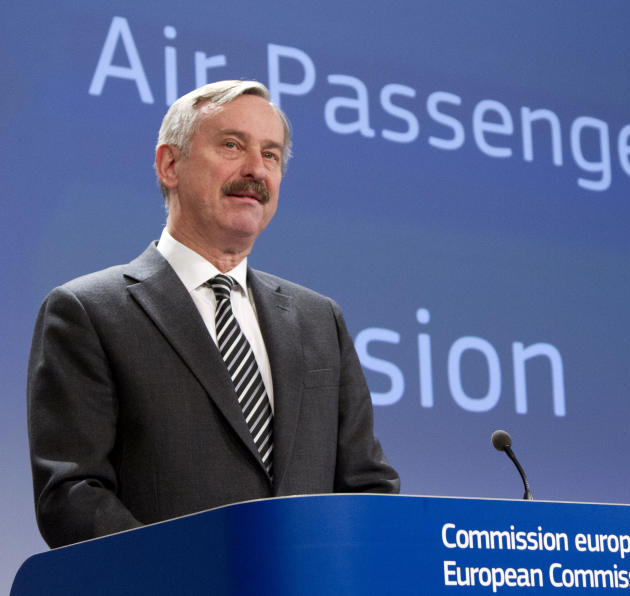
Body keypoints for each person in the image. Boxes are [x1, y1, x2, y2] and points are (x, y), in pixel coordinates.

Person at [27, 80, 399, 549]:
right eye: (231, 145)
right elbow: (73, 496)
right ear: (169, 165)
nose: (255, 170)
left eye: (271, 155)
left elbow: (368, 489)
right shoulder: (88, 312)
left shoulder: (319, 320)